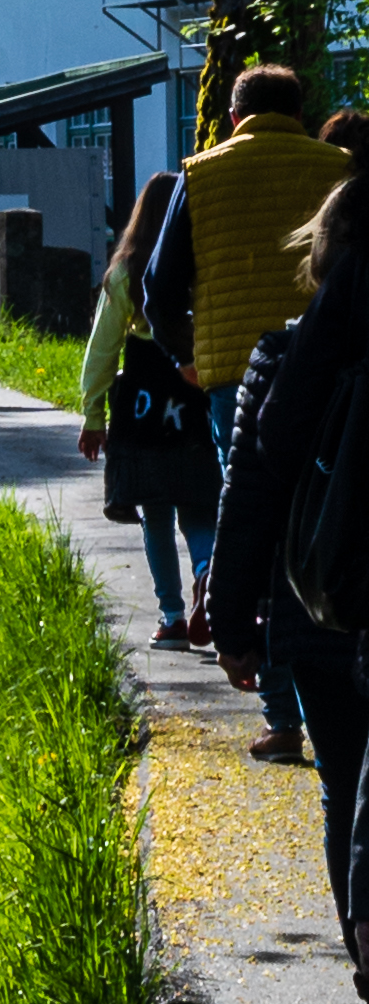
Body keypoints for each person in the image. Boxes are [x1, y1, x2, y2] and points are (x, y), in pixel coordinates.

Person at [211, 175, 369, 1004]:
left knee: (345, 788)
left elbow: (254, 488)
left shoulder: (287, 355)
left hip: (317, 606)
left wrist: (233, 620)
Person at [185, 64, 339, 749]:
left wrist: (185, 349)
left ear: (235, 114)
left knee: (250, 511)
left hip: (231, 374)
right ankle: (334, 664)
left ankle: (282, 712)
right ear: (299, 112)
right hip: (334, 361)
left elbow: (160, 281)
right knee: (330, 503)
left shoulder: (203, 173)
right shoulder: (339, 168)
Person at [80, 157, 220, 645]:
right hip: (194, 393)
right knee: (200, 506)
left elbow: (102, 349)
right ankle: (208, 573)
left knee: (155, 512)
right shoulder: (204, 263)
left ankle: (173, 616)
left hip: (141, 405)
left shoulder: (125, 272)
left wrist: (93, 414)